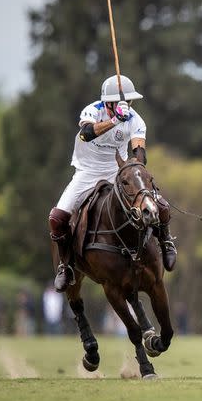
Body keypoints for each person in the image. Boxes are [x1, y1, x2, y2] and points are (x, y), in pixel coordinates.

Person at [48, 75, 178, 292]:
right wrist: (115, 120)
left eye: (129, 102)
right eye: (120, 103)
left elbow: (139, 152)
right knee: (57, 218)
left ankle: (165, 241)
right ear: (108, 103)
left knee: (160, 205)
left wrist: (135, 164)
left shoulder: (136, 120)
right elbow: (86, 134)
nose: (127, 106)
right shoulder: (92, 110)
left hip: (117, 172)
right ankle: (65, 265)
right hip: (86, 173)